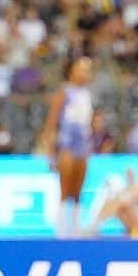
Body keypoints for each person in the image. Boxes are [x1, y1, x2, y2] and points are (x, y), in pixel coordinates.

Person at [39, 53, 94, 238]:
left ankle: (76, 228)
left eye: (88, 69)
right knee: (65, 191)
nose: (86, 73)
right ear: (72, 70)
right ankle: (62, 229)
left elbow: (88, 123)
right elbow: (52, 122)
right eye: (82, 68)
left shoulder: (87, 94)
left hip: (82, 146)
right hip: (67, 145)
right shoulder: (64, 92)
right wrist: (49, 151)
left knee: (78, 191)